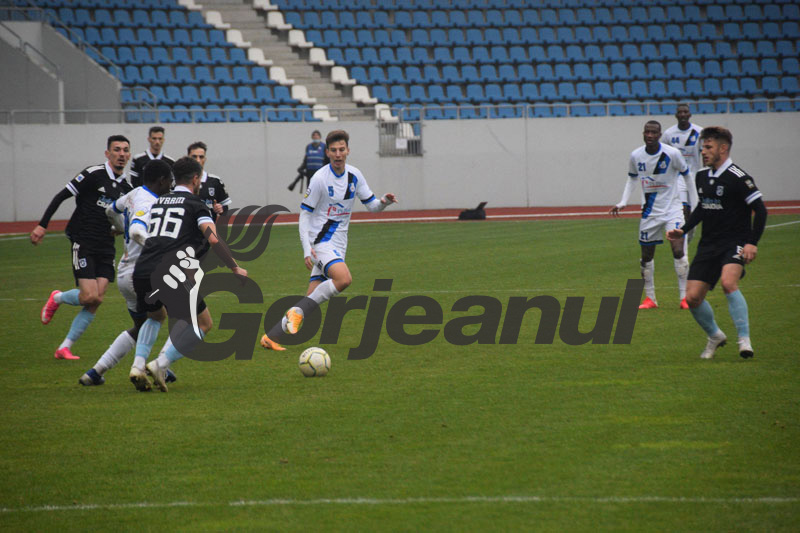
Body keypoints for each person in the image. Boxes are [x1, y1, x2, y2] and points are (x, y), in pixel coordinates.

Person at [261, 129, 397, 350]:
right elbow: (304, 214)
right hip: (320, 242)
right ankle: (295, 313)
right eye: (333, 150)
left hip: (339, 244)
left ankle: (271, 337)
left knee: (309, 300)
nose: (338, 154)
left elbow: (372, 206)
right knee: (344, 279)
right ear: (327, 153)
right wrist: (307, 249)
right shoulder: (319, 179)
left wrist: (384, 201)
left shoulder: (355, 175)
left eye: (341, 149)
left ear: (348, 150)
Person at [131, 156, 248, 392]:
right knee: (204, 323)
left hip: (142, 269)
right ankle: (160, 364)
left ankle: (137, 366)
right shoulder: (196, 204)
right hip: (170, 271)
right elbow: (212, 238)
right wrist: (234, 266)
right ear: (196, 179)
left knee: (154, 316)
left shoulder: (159, 201)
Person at [667, 127, 767, 359]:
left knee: (728, 282)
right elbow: (702, 208)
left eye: (708, 147)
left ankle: (744, 340)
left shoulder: (739, 177)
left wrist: (752, 243)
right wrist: (683, 230)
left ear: (723, 148)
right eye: (703, 147)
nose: (703, 151)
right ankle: (715, 335)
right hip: (708, 244)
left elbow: (760, 210)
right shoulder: (702, 176)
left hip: (735, 242)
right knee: (692, 297)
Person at [31, 135, 133, 360]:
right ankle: (57, 298)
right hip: (83, 240)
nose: (121, 154)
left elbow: (124, 221)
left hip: (106, 246)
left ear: (129, 155)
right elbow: (61, 196)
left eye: (125, 150)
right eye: (117, 149)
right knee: (89, 296)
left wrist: (119, 229)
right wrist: (42, 225)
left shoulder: (127, 188)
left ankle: (64, 347)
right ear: (107, 153)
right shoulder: (92, 174)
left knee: (97, 299)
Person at [78, 160, 175, 386]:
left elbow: (111, 210)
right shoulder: (148, 202)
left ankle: (95, 372)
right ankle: (149, 366)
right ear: (161, 180)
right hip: (142, 274)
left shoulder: (134, 193)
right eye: (170, 180)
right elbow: (137, 230)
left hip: (124, 273)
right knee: (169, 315)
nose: (171, 185)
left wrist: (119, 226)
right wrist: (155, 248)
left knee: (141, 326)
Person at [609, 120, 691, 309]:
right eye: (647, 132)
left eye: (654, 132)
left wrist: (692, 202)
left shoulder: (672, 153)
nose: (650, 135)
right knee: (646, 256)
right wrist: (623, 201)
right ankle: (651, 299)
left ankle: (684, 297)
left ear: (660, 135)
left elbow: (686, 175)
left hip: (673, 209)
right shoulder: (636, 155)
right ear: (643, 133)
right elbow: (632, 179)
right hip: (650, 212)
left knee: (678, 251)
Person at [661, 103, 702, 246]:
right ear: (676, 115)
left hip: (695, 177)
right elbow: (664, 156)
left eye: (685, 112)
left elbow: (705, 154)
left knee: (693, 212)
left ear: (690, 114)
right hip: (678, 178)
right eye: (680, 112)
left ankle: (689, 235)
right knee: (683, 209)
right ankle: (683, 242)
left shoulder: (699, 132)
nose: (683, 114)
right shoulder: (669, 134)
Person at [188, 141, 231, 222]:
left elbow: (225, 208)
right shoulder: (179, 181)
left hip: (207, 227)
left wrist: (220, 209)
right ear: (188, 158)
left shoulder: (215, 181)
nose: (198, 160)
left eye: (201, 157)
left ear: (205, 159)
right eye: (194, 157)